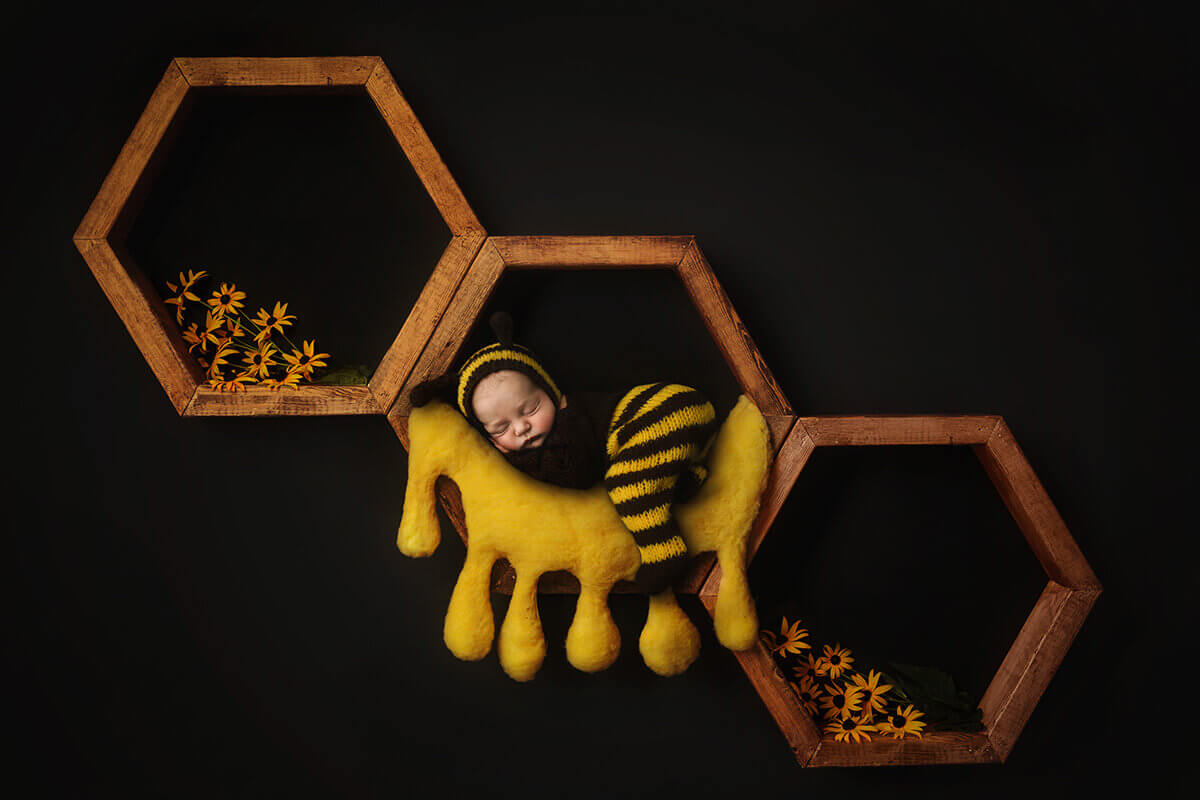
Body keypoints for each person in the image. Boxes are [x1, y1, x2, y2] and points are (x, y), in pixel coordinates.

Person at [408, 311, 718, 594]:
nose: (521, 428)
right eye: (501, 429)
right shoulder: (544, 425)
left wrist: (514, 455)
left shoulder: (572, 423)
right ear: (488, 437)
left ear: (552, 393)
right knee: (648, 465)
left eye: (530, 409)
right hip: (684, 419)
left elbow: (577, 476)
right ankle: (688, 476)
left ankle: (665, 552)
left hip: (668, 411)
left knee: (626, 484)